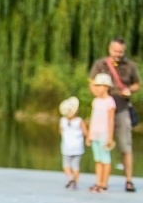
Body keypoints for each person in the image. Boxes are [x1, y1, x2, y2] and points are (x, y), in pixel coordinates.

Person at [89, 37, 140, 192]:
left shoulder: (130, 65)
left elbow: (137, 84)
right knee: (100, 146)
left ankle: (129, 180)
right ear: (109, 49)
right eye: (115, 51)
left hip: (122, 108)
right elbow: (91, 82)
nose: (118, 54)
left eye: (121, 51)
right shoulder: (100, 65)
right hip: (103, 111)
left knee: (126, 145)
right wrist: (98, 95)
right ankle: (101, 182)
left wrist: (129, 90)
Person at [88, 74, 116, 193]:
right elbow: (92, 118)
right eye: (96, 86)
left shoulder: (110, 102)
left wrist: (110, 137)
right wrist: (89, 134)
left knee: (105, 159)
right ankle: (98, 182)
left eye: (100, 85)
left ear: (107, 87)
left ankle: (104, 183)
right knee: (98, 159)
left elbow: (111, 121)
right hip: (95, 133)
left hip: (104, 134)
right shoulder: (95, 101)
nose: (97, 88)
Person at [59, 96, 87, 190]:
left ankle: (70, 178)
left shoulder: (63, 120)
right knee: (76, 166)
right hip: (77, 147)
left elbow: (60, 131)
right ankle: (74, 183)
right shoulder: (79, 121)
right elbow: (85, 132)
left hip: (66, 147)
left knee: (66, 165)